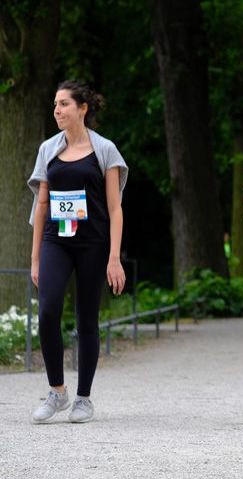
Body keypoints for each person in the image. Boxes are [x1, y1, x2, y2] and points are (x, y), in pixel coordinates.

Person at [27, 81, 128, 424]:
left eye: (64, 104)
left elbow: (115, 208)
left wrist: (114, 258)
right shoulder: (48, 149)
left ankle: (84, 399)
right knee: (47, 310)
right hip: (56, 240)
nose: (57, 110)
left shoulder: (105, 150)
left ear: (82, 108)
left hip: (92, 243)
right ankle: (57, 392)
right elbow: (41, 205)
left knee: (87, 318)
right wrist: (35, 258)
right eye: (55, 104)